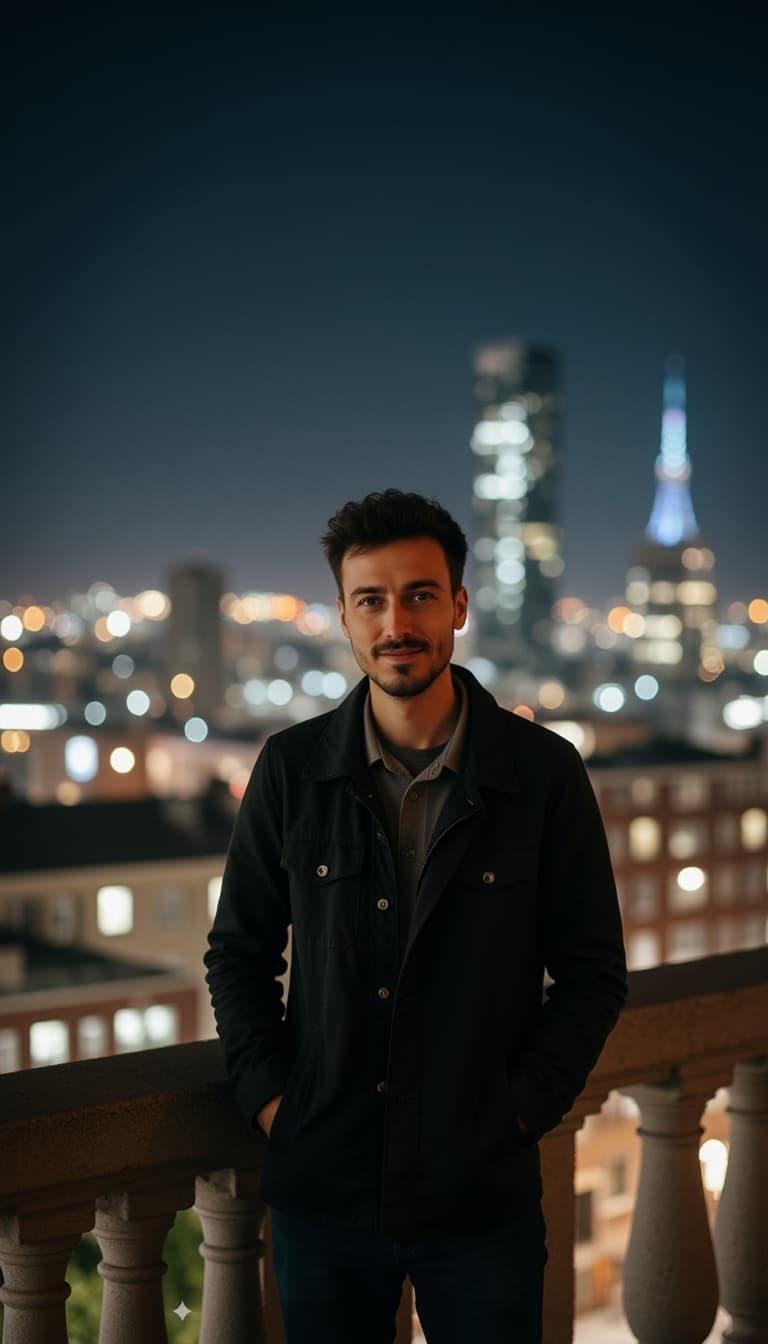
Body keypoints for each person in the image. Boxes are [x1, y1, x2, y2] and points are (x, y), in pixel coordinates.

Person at [204, 489, 627, 1344]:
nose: (396, 621)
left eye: (420, 595)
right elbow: (238, 954)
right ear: (345, 618)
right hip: (323, 1199)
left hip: (481, 1202)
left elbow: (592, 974)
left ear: (459, 606)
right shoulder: (290, 771)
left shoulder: (544, 775)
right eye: (372, 600)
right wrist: (276, 1109)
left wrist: (515, 1114)